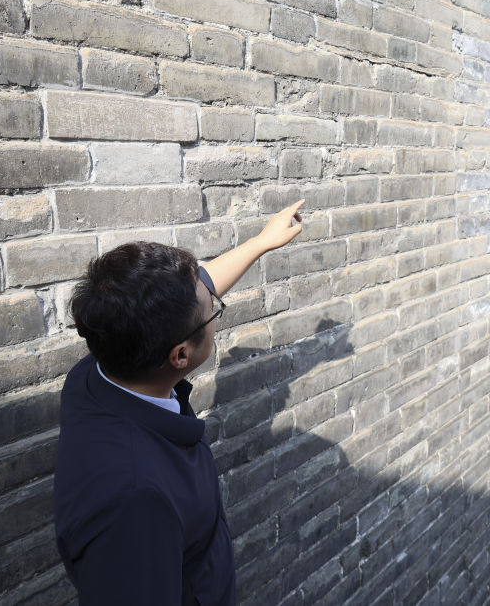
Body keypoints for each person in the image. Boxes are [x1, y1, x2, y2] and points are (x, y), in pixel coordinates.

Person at [54, 200, 306, 605]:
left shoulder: (100, 369)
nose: (213, 299)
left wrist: (262, 242)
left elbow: (199, 290)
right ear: (180, 356)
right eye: (213, 311)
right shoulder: (134, 501)